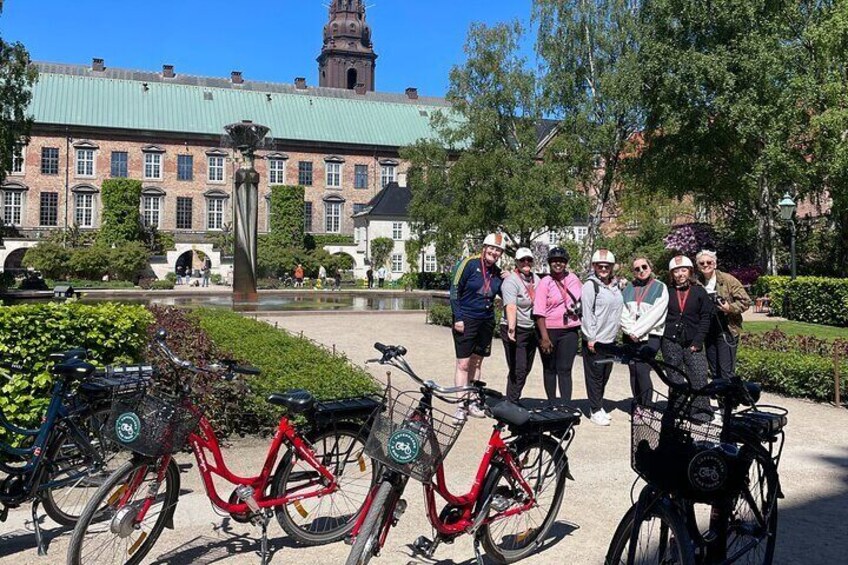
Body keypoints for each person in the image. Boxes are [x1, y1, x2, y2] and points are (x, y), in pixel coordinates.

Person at [450, 233, 505, 421]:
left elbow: (505, 293)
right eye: (491, 248)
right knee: (463, 363)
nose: (494, 252)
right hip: (467, 318)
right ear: (484, 248)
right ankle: (460, 405)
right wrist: (458, 317)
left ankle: (472, 400)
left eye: (498, 250)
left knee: (477, 361)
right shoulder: (469, 264)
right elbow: (454, 290)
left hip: (486, 320)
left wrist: (508, 278)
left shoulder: (497, 273)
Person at [662, 255, 714, 419]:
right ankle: (678, 408)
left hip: (693, 339)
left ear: (690, 271)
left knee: (698, 374)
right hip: (671, 339)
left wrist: (698, 341)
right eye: (676, 271)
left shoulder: (699, 291)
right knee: (675, 377)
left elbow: (706, 317)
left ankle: (701, 410)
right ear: (672, 274)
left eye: (683, 270)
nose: (680, 274)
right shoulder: (667, 291)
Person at [580, 249, 624, 426]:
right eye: (600, 265)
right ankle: (595, 409)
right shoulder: (591, 285)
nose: (604, 268)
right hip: (595, 339)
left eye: (607, 266)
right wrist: (590, 337)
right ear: (594, 266)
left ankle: (598, 404)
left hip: (610, 339)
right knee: (595, 376)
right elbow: (587, 312)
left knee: (605, 374)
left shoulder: (615, 286)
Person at [533, 246, 582, 402]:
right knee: (550, 369)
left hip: (569, 330)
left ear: (565, 263)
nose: (558, 264)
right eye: (554, 261)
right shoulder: (545, 282)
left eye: (561, 261)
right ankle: (552, 403)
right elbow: (539, 311)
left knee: (565, 369)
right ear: (549, 263)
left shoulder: (573, 279)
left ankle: (566, 404)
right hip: (549, 330)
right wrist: (544, 337)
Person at [620, 256, 669, 409]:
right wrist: (630, 331)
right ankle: (637, 405)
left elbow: (656, 314)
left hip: (650, 336)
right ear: (633, 272)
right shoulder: (628, 288)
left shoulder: (660, 287)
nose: (641, 271)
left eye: (644, 267)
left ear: (650, 267)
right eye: (637, 269)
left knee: (642, 369)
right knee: (633, 370)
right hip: (630, 336)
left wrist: (637, 331)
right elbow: (622, 312)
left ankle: (647, 407)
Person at [696, 250, 751, 379]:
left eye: (709, 262)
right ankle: (721, 398)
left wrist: (729, 308)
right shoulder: (697, 282)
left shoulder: (727, 280)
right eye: (702, 263)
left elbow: (746, 301)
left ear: (715, 264)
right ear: (698, 266)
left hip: (726, 328)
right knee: (714, 371)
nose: (705, 265)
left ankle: (730, 398)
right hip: (708, 329)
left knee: (726, 372)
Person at [500, 247, 540, 402]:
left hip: (531, 328)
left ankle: (511, 399)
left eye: (529, 260)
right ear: (516, 262)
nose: (526, 263)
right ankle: (512, 401)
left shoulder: (537, 279)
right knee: (519, 368)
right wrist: (511, 327)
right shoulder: (511, 281)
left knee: (525, 368)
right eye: (522, 260)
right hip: (515, 328)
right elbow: (510, 306)